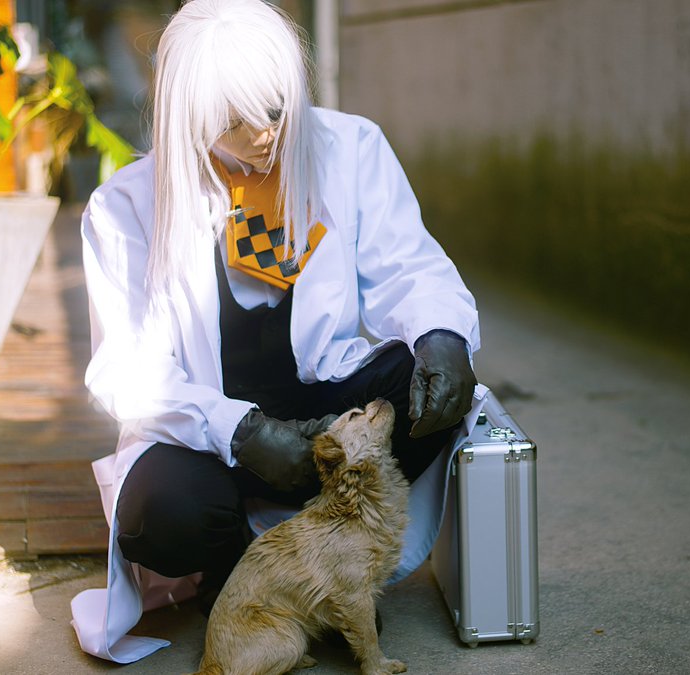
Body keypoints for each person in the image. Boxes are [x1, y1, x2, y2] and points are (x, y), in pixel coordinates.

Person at [69, 0, 482, 663]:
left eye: (275, 107)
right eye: (233, 119)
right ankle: (245, 580)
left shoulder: (352, 149)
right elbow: (126, 369)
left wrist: (442, 335)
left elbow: (409, 267)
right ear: (188, 115)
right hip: (211, 442)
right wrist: (239, 431)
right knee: (162, 512)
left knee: (421, 381)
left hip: (323, 423)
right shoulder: (124, 208)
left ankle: (334, 564)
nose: (264, 133)